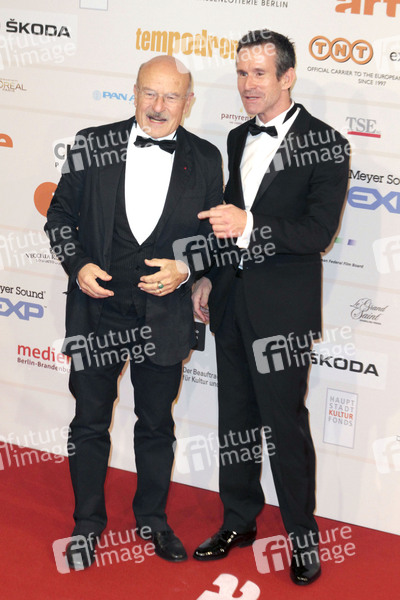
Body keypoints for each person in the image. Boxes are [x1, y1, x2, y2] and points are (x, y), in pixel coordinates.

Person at [45, 55, 223, 569]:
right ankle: (87, 524)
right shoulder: (92, 143)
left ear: (188, 102)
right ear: (134, 91)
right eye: (150, 92)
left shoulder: (206, 158)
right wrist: (77, 264)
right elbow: (59, 216)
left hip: (164, 316)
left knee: (156, 426)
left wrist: (186, 269)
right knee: (89, 423)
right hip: (97, 312)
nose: (158, 106)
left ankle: (153, 520)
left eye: (171, 96)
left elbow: (215, 237)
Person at [192, 29, 350, 585]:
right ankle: (238, 521)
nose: (247, 84)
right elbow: (227, 222)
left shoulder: (327, 142)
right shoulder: (238, 138)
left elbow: (317, 233)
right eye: (241, 73)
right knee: (234, 422)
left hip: (282, 315)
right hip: (232, 303)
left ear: (288, 76)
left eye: (259, 73)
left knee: (285, 428)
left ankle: (303, 539)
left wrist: (250, 225)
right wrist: (208, 277)